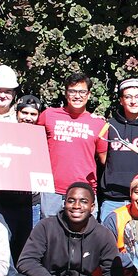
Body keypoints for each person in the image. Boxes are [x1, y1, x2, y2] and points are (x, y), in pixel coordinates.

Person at [37, 72, 109, 218]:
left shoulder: (99, 123)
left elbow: (105, 160)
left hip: (84, 190)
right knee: (51, 236)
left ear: (88, 95)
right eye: (73, 91)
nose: (77, 96)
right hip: (52, 189)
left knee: (83, 237)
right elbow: (33, 145)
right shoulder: (48, 115)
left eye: (82, 92)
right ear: (65, 93)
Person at [100, 78, 138, 217]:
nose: (133, 101)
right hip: (112, 200)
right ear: (121, 100)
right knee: (110, 239)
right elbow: (102, 158)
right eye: (128, 97)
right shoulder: (109, 125)